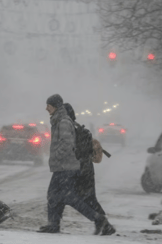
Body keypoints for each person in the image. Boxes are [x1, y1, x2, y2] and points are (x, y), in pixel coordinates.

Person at [38, 94, 115, 235]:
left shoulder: (63, 122)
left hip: (66, 167)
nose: (46, 108)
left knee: (69, 197)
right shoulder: (58, 120)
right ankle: (53, 224)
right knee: (54, 195)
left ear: (54, 106)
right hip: (62, 166)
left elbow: (67, 144)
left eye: (48, 105)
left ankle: (99, 219)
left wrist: (57, 157)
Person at [63, 103, 107, 216]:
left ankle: (103, 223)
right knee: (88, 198)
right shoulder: (76, 127)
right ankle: (103, 222)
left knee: (76, 197)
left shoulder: (69, 129)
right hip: (85, 167)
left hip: (78, 168)